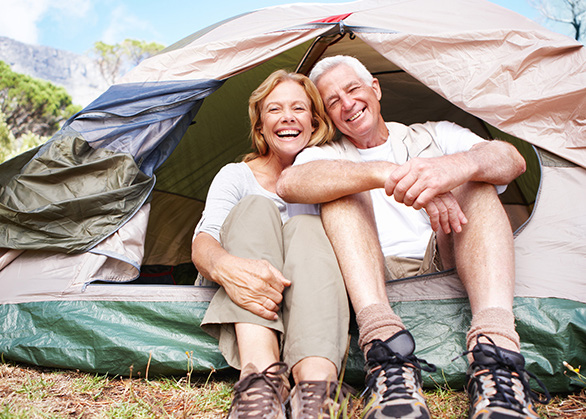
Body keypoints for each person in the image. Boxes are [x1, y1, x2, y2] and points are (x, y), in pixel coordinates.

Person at [276, 56, 550, 419]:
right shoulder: (322, 154)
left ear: (374, 88)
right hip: (367, 273)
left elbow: (511, 159)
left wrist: (455, 167)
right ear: (326, 115)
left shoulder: (434, 133)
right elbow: (290, 183)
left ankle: (497, 360)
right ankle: (387, 354)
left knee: (478, 181)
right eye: (332, 101)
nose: (347, 105)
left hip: (445, 256)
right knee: (338, 190)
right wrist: (384, 172)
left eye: (353, 89)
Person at [191, 69, 351, 419]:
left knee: (307, 227)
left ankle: (316, 388)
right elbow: (203, 242)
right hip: (244, 293)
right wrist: (226, 267)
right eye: (275, 109)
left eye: (298, 108)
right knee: (255, 208)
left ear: (314, 122)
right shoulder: (236, 175)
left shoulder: (332, 176)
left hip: (310, 298)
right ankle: (261, 383)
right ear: (260, 125)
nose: (288, 117)